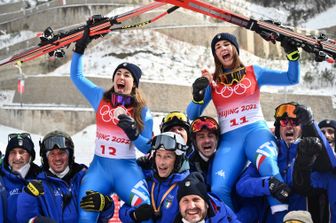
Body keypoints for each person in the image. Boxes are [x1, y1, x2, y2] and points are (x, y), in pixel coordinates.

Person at [186, 32, 300, 215]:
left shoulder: (254, 72)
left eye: (226, 44)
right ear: (215, 55)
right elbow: (192, 114)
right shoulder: (212, 82)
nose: (223, 49)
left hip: (256, 132)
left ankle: (285, 219)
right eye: (217, 47)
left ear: (235, 49)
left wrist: (292, 56)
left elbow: (291, 78)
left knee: (268, 168)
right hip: (231, 141)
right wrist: (198, 95)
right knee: (218, 188)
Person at [70, 18, 153, 222]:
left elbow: (147, 149)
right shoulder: (100, 98)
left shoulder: (142, 111)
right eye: (118, 74)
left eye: (127, 75)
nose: (121, 77)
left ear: (134, 84)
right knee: (86, 213)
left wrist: (133, 132)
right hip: (99, 170)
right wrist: (81, 47)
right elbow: (76, 76)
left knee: (146, 214)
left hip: (127, 172)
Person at [235, 102, 313, 222]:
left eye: (294, 122)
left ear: (302, 128)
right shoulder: (268, 154)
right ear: (278, 127)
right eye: (284, 122)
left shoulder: (309, 154)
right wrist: (268, 184)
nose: (289, 126)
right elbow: (242, 186)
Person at [16, 130, 114, 223]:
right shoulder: (38, 184)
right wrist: (27, 196)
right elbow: (24, 218)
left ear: (70, 155)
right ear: (46, 159)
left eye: (61, 153)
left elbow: (106, 216)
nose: (57, 158)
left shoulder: (86, 179)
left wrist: (106, 204)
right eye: (52, 154)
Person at [116, 132, 190, 222]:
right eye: (158, 155)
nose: (161, 162)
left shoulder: (187, 187)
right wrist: (134, 215)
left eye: (168, 156)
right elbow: (123, 211)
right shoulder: (146, 180)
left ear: (178, 160)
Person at [0, 133, 41, 223]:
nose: (17, 157)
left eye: (22, 152)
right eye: (13, 152)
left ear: (30, 157)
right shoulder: (2, 181)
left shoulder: (41, 178)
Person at [174, 172, 240, 223]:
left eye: (196, 200)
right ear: (179, 206)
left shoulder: (224, 213)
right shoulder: (171, 218)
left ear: (207, 203)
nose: (191, 206)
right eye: (185, 201)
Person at [189, 116, 220, 181]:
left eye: (210, 136)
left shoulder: (225, 159)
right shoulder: (188, 165)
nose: (207, 140)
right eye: (201, 137)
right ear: (195, 142)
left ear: (216, 139)